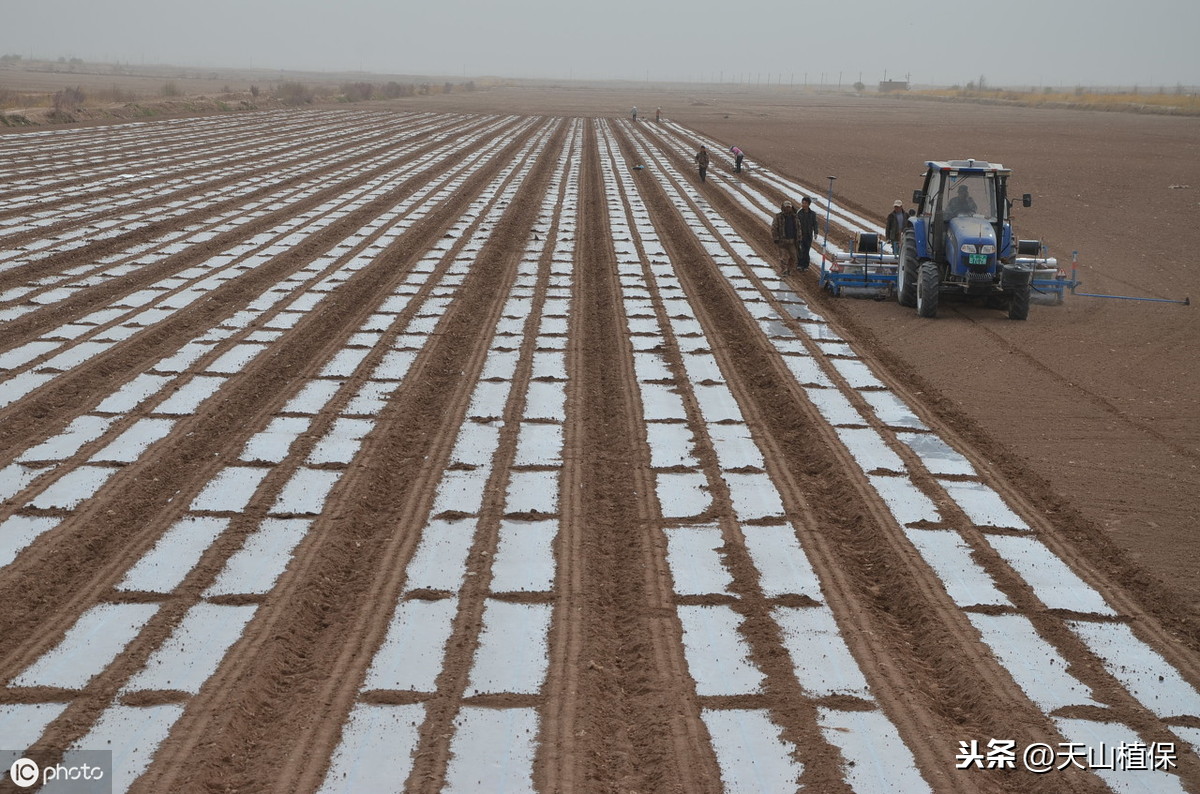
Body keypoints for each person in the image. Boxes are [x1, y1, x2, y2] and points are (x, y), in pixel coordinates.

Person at [771, 200, 801, 274]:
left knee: (794, 257)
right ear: (783, 207)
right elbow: (774, 228)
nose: (788, 208)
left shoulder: (795, 217)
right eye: (786, 207)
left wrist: (799, 238)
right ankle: (784, 270)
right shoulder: (778, 217)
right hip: (782, 241)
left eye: (789, 207)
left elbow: (798, 228)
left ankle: (790, 270)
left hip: (792, 241)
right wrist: (776, 238)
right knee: (783, 257)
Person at [796, 196, 820, 271]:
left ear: (808, 204)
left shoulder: (812, 214)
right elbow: (796, 224)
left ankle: (806, 265)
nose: (803, 205)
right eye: (802, 203)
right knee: (801, 250)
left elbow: (815, 223)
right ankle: (800, 264)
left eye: (805, 203)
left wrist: (816, 232)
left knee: (807, 250)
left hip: (808, 235)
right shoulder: (799, 213)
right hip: (800, 235)